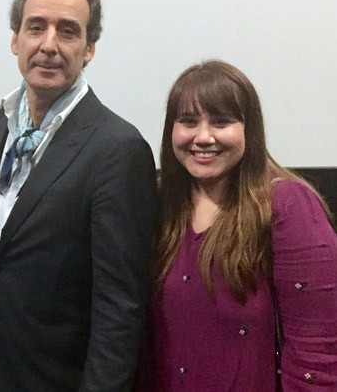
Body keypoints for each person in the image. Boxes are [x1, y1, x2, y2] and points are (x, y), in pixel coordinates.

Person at [0, 0, 158, 391]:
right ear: (15, 40)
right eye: (36, 27)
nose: (49, 45)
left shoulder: (118, 149)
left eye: (68, 31)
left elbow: (121, 306)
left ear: (89, 48)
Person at [143, 60, 337, 390]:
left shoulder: (288, 206)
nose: (203, 137)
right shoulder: (158, 205)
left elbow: (316, 360)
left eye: (221, 122)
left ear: (250, 129)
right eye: (188, 122)